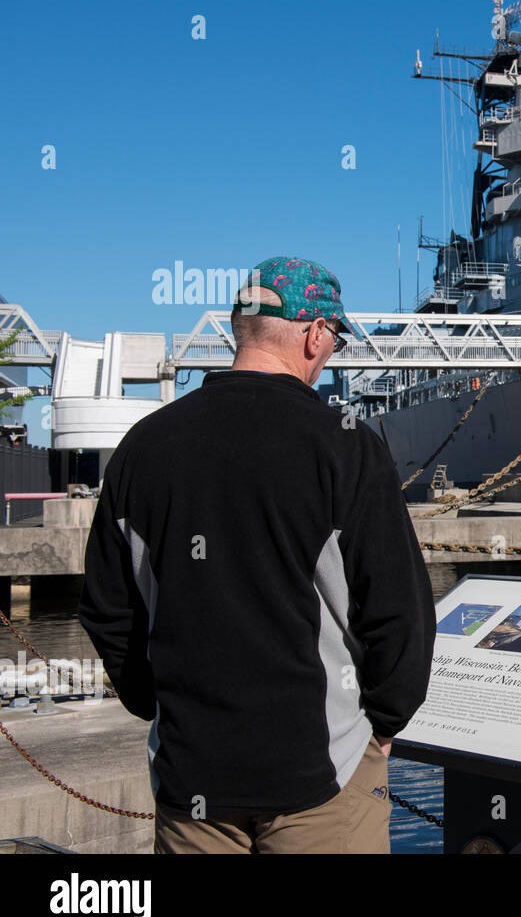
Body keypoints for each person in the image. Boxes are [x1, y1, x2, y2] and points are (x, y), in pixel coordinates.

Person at [78, 256, 437, 853]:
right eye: (335, 338)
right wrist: (385, 722)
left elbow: (108, 608)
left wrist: (153, 702)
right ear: (315, 333)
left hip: (192, 779)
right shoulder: (347, 448)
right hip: (322, 779)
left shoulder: (143, 448)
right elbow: (400, 612)